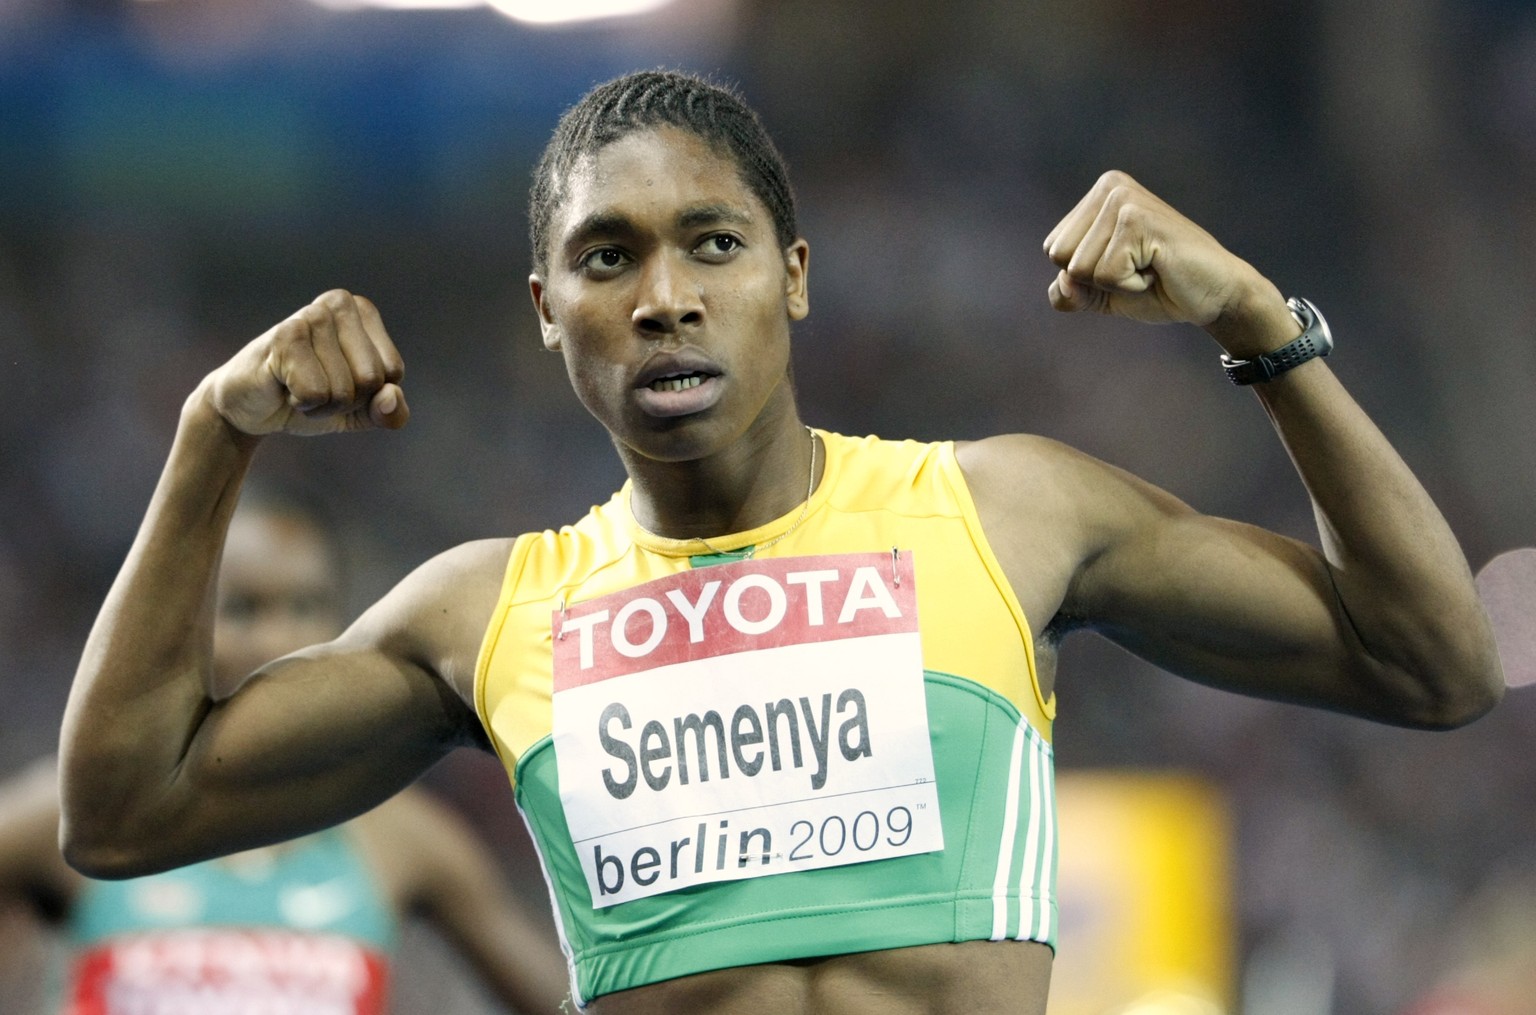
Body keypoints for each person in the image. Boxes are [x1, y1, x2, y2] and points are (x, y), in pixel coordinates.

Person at [56, 69, 1504, 1015]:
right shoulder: (486, 612)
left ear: (796, 277)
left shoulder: (1005, 510)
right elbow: (119, 812)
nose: (666, 296)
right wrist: (210, 435)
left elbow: (1435, 665)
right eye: (608, 257)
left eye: (714, 243)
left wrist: (1260, 324)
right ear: (548, 312)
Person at [3, 492, 567, 1014]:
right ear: (175, 625)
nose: (279, 643)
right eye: (243, 610)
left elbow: (571, 999)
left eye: (306, 607)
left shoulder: (400, 838)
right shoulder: (76, 813)